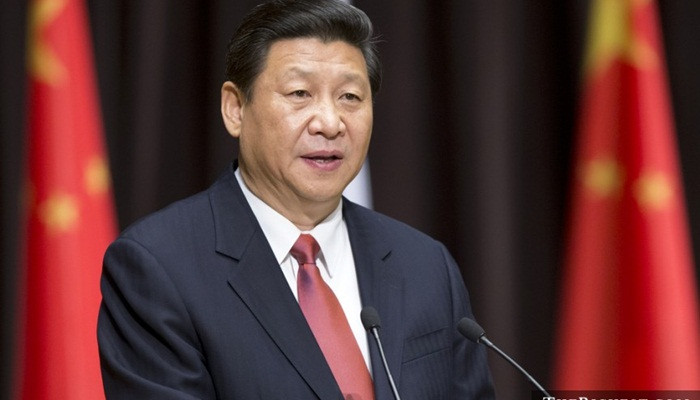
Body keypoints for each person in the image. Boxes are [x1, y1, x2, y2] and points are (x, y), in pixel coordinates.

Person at [97, 0, 495, 398]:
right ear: (235, 109)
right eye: (300, 93)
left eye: (350, 97)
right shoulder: (159, 268)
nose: (330, 123)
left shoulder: (425, 266)